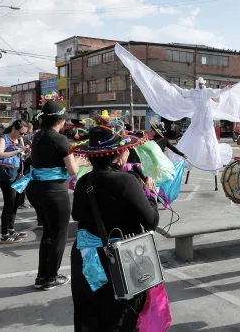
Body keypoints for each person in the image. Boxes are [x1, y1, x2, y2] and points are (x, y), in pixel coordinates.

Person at [115, 43, 240, 173]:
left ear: (204, 84)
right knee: (190, 137)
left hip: (206, 118)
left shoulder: (207, 91)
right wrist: (174, 88)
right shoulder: (194, 92)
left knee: (209, 140)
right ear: (197, 84)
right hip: (198, 118)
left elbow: (218, 91)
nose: (201, 85)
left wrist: (227, 89)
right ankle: (187, 160)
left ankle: (214, 161)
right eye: (199, 84)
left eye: (202, 84)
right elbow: (184, 93)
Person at [70, 114, 161, 332]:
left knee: (91, 313)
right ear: (118, 154)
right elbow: (151, 222)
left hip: (87, 255)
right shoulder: (126, 181)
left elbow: (76, 215)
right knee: (120, 315)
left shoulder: (84, 181)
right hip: (119, 258)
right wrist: (149, 194)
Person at [15, 98, 80, 290]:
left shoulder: (38, 136)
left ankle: (42, 276)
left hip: (36, 189)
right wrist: (81, 161)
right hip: (54, 191)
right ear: (60, 121)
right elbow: (72, 170)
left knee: (48, 234)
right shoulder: (60, 139)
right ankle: (51, 277)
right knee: (59, 234)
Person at [0, 119, 30, 244]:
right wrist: (19, 150)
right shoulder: (3, 139)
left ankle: (11, 229)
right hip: (6, 174)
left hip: (17, 173)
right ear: (14, 129)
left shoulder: (18, 139)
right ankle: (4, 235)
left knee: (16, 202)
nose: (23, 136)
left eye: (24, 134)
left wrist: (25, 152)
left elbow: (21, 156)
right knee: (9, 203)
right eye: (21, 133)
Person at [18, 122, 35, 210]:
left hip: (23, 162)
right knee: (25, 181)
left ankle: (20, 201)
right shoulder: (29, 137)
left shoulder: (21, 137)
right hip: (27, 162)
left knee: (22, 180)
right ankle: (20, 202)